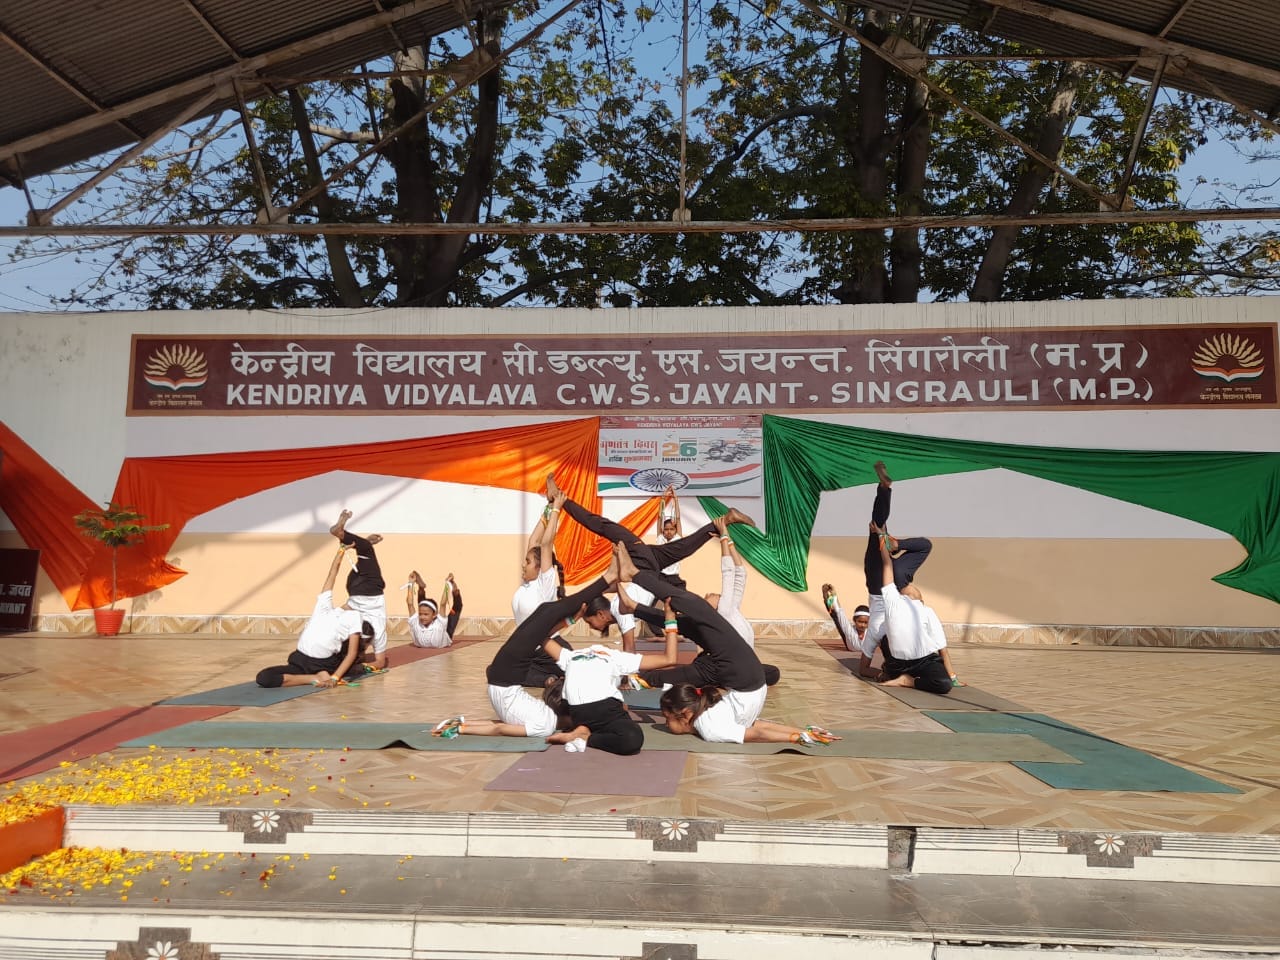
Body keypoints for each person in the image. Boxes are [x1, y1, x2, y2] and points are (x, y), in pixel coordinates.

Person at [432, 557, 620, 740]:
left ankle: (607, 578)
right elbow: (499, 724)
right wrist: (461, 725)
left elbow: (500, 729)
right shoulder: (545, 719)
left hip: (506, 678)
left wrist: (462, 729)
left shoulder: (545, 724)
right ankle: (607, 579)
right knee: (546, 612)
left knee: (548, 612)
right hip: (503, 680)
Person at [539, 569, 681, 755]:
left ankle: (582, 729)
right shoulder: (614, 657)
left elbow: (542, 635)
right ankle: (584, 737)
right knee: (632, 738)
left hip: (578, 712)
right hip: (603, 708)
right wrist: (670, 620)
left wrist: (572, 619)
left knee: (613, 718)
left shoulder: (571, 656)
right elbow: (669, 659)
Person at [256, 542, 373, 688]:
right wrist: (341, 551)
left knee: (349, 664)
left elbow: (351, 653)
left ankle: (324, 674)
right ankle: (314, 677)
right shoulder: (324, 606)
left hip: (322, 662)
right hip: (300, 659)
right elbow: (332, 574)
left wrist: (335, 678)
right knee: (263, 677)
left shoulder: (355, 617)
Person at [867, 519, 952, 694]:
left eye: (916, 591)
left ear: (920, 601)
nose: (913, 589)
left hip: (924, 660)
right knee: (924, 544)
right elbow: (887, 566)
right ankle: (891, 539)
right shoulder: (893, 601)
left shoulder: (925, 611)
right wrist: (882, 537)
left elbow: (941, 646)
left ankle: (908, 680)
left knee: (944, 684)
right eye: (912, 589)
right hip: (898, 661)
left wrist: (952, 675)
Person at [660, 683, 840, 746]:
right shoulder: (708, 707)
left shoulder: (709, 729)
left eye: (667, 719)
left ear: (684, 714)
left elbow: (757, 734)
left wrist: (798, 737)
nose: (666, 725)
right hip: (753, 688)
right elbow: (759, 725)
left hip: (752, 690)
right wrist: (805, 731)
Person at [330, 509, 389, 671]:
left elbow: (379, 663)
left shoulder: (377, 632)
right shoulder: (351, 628)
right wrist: (359, 666)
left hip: (369, 589)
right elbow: (380, 663)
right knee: (365, 552)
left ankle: (342, 534)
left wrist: (361, 665)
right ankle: (354, 540)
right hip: (353, 589)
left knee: (367, 551)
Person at [822, 584, 878, 675]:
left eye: (865, 623)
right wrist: (834, 595)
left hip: (855, 645)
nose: (863, 625)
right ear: (854, 621)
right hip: (849, 642)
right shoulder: (849, 630)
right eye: (860, 622)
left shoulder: (872, 630)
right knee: (836, 616)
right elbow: (840, 612)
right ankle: (826, 598)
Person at [405, 571, 462, 648]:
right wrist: (410, 583)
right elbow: (410, 604)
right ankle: (421, 588)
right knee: (423, 606)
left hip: (445, 634)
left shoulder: (439, 624)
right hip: (431, 617)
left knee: (456, 609)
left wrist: (447, 584)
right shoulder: (416, 622)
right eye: (420, 614)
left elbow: (443, 604)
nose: (422, 617)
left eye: (425, 615)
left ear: (435, 615)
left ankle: (455, 592)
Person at [655, 483, 686, 589]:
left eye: (671, 529)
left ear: (675, 530)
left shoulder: (677, 539)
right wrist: (663, 499)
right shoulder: (660, 539)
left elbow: (677, 518)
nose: (668, 532)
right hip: (661, 577)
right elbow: (660, 518)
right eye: (666, 529)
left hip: (674, 577)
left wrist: (676, 500)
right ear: (663, 531)